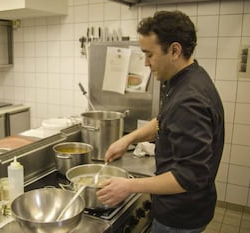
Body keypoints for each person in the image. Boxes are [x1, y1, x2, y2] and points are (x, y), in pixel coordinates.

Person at [96, 10, 225, 233]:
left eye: (149, 54)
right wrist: (128, 139)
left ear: (174, 50)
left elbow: (188, 177)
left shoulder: (190, 100)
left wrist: (128, 186)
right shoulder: (185, 79)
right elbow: (163, 120)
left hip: (180, 216)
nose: (145, 63)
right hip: (184, 208)